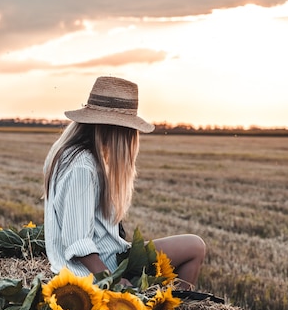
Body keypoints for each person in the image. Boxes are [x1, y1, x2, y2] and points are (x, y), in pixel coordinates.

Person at [43, 76, 205, 290]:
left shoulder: (68, 154)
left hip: (106, 258)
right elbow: (78, 241)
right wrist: (113, 280)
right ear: (118, 129)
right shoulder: (83, 166)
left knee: (192, 245)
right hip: (101, 267)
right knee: (195, 247)